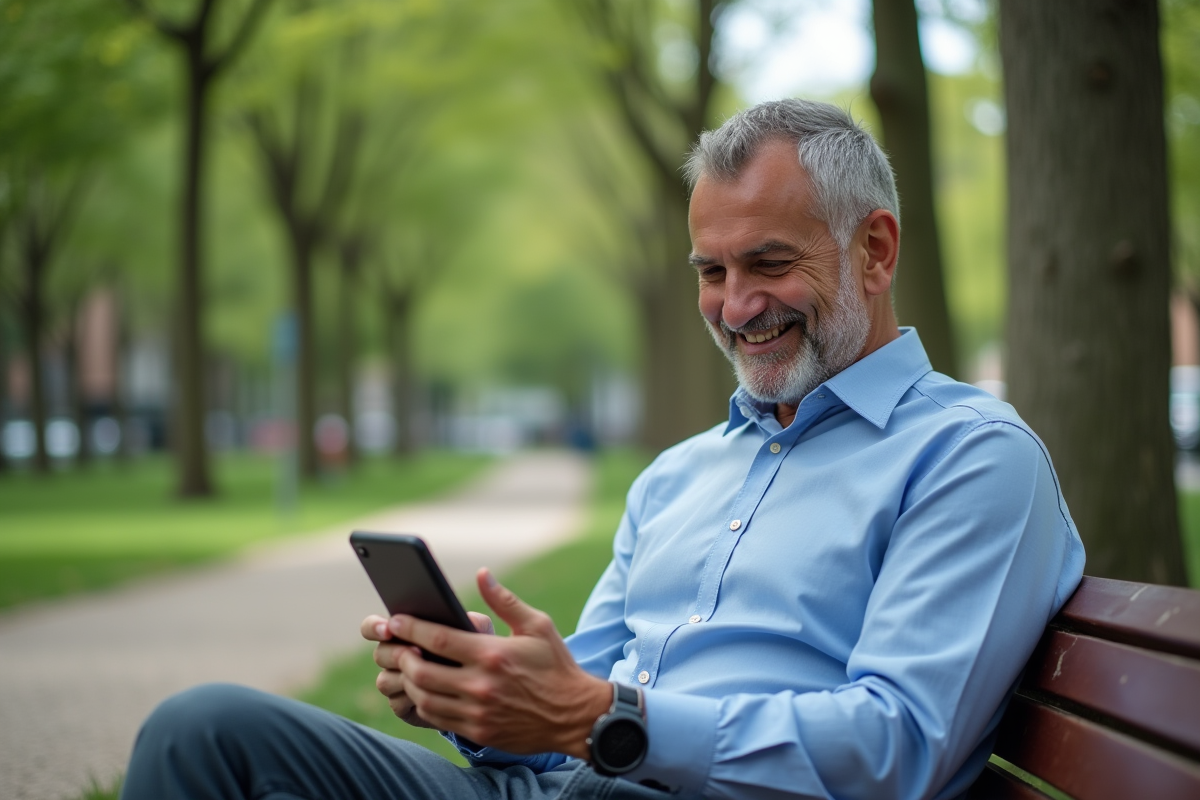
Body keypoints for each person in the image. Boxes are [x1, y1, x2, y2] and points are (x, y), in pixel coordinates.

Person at [121, 99, 1085, 800]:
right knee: (205, 731)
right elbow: (563, 721)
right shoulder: (679, 476)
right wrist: (483, 701)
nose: (737, 306)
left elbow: (899, 748)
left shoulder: (970, 458)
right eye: (712, 271)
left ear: (875, 251)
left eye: (770, 264)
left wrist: (600, 721)